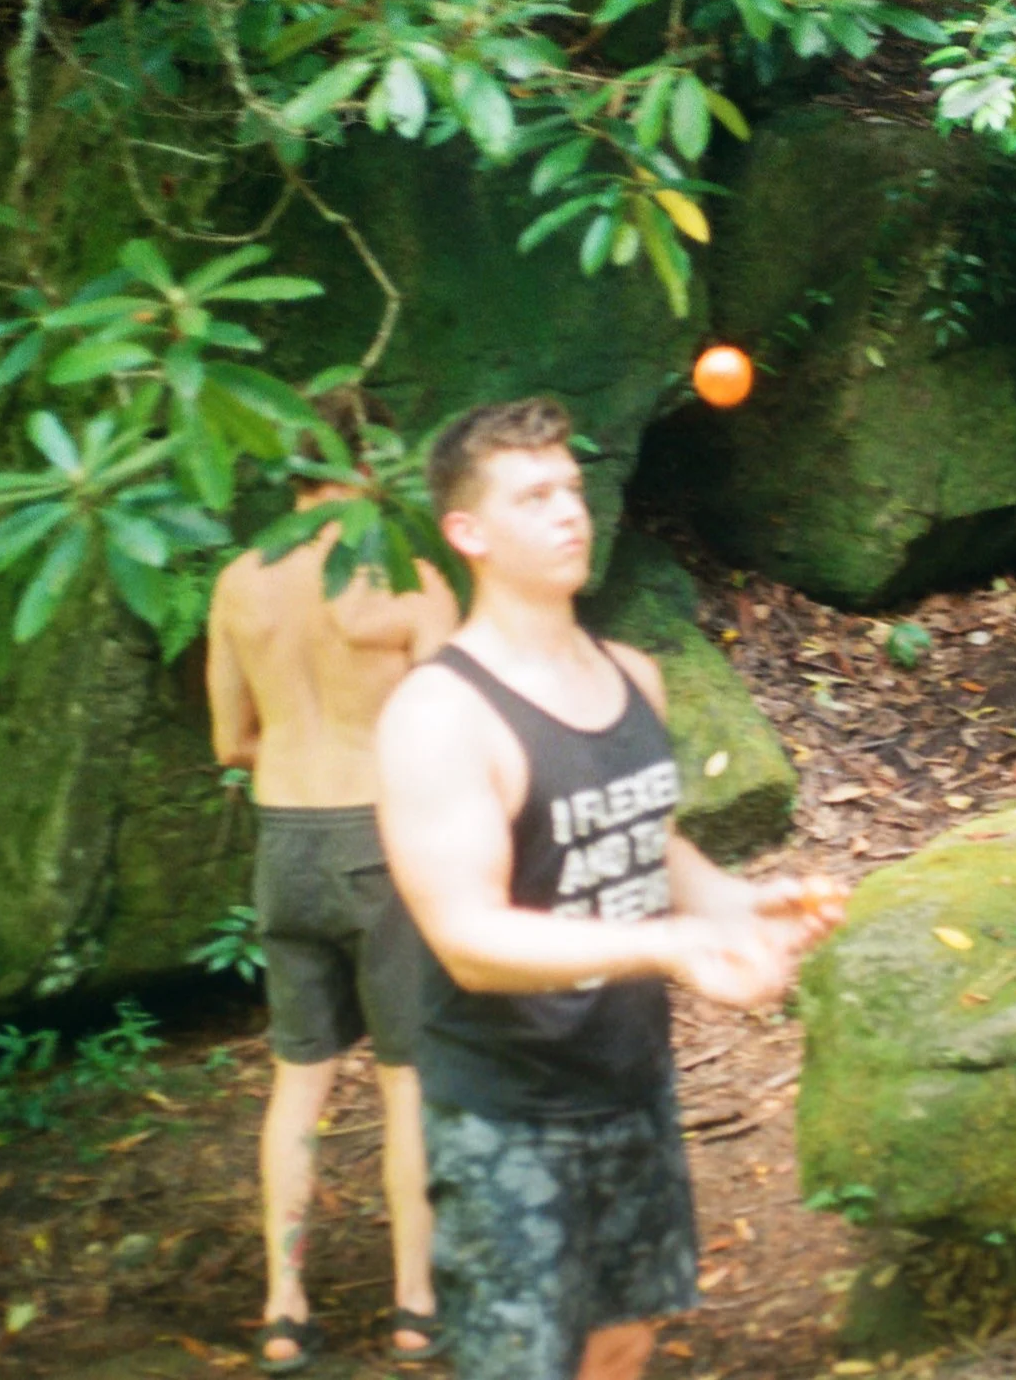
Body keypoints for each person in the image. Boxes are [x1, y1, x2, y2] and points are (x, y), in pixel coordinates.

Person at [374, 396, 841, 1380]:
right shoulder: (440, 713)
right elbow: (467, 937)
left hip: (630, 1080)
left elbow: (639, 832)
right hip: (508, 1109)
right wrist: (671, 946)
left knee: (625, 1338)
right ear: (468, 532)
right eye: (533, 494)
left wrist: (732, 901)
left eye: (573, 489)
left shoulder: (633, 672)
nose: (569, 512)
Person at [206, 393, 461, 1373]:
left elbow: (231, 739)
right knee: (406, 1082)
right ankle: (412, 1305)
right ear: (367, 468)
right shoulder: (406, 580)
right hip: (380, 840)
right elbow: (443, 733)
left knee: (296, 1087)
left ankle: (283, 1305)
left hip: (284, 843)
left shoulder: (238, 581)